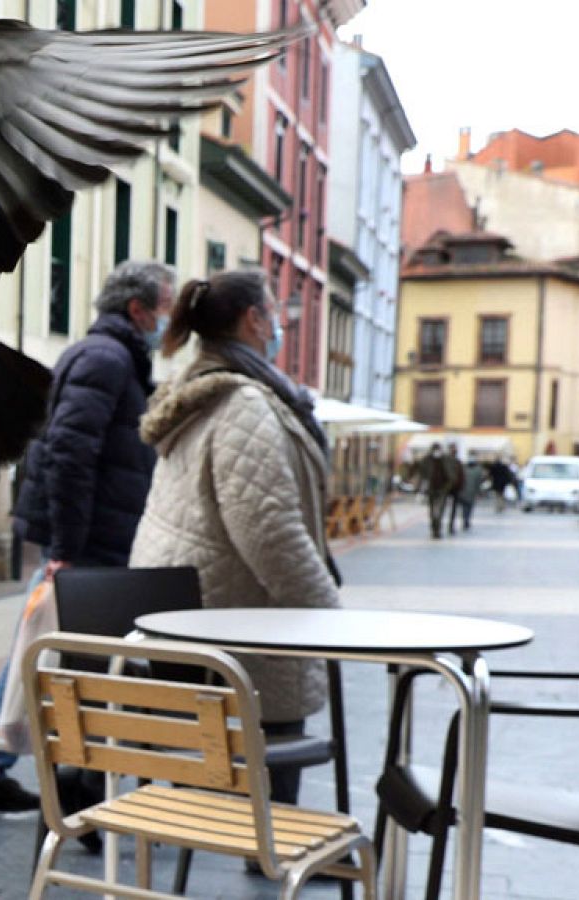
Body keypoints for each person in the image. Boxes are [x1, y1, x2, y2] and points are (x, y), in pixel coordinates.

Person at [0, 259, 173, 811]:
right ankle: (56, 777)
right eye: (164, 308)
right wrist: (68, 551)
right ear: (138, 309)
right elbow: (71, 454)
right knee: (60, 656)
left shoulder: (113, 357)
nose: (168, 321)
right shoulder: (106, 359)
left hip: (93, 536)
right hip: (90, 540)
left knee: (39, 650)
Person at [129, 270, 338, 805]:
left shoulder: (195, 388)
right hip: (244, 625)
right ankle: (270, 860)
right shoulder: (244, 403)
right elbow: (270, 531)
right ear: (255, 319)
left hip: (192, 613)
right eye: (276, 313)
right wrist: (328, 612)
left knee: (200, 782)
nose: (280, 327)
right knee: (267, 791)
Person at [417, 445, 456, 539]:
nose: (436, 452)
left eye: (438, 450)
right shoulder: (427, 461)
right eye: (435, 450)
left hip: (442, 490)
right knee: (432, 511)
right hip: (431, 490)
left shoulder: (446, 460)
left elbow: (451, 475)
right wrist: (421, 489)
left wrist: (448, 487)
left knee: (439, 511)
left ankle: (437, 530)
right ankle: (434, 528)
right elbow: (423, 475)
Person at [455, 457, 485, 531]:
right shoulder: (477, 470)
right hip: (470, 492)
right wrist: (479, 492)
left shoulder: (463, 469)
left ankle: (465, 520)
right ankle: (466, 520)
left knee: (465, 507)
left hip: (463, 491)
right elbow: (479, 482)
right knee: (469, 507)